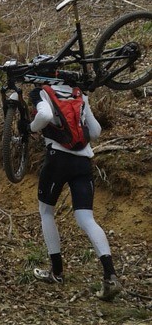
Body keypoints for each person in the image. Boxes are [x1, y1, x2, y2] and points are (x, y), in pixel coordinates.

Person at [28, 82, 122, 301]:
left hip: (58, 160)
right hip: (83, 162)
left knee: (46, 211)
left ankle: (57, 272)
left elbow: (43, 115)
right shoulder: (78, 93)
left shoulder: (41, 91)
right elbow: (96, 131)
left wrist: (31, 128)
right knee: (86, 218)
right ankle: (110, 275)